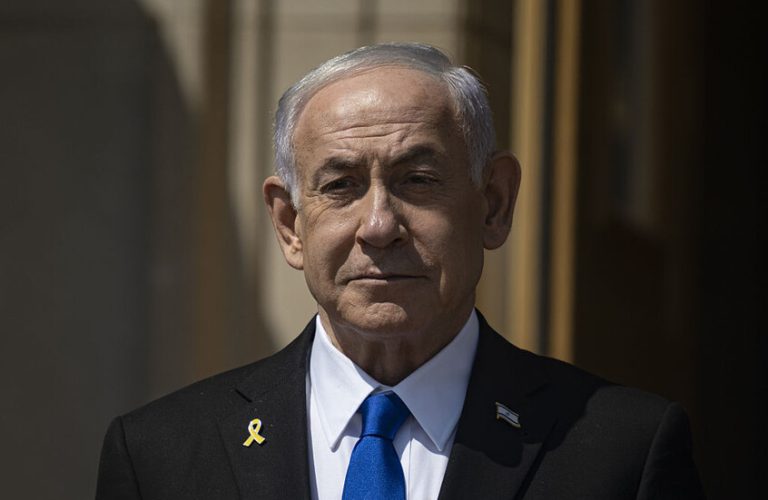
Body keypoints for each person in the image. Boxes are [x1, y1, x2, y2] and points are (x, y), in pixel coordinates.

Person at [96, 42, 704, 499]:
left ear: (494, 204)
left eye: (418, 179)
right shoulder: (161, 456)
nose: (379, 225)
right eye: (341, 185)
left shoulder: (621, 451)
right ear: (289, 225)